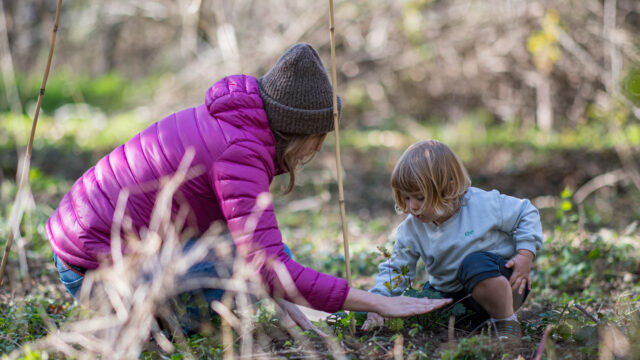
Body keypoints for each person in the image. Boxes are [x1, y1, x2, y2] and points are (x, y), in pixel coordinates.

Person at [46, 43, 451, 334]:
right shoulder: (239, 151)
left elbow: (255, 242)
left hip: (81, 250)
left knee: (264, 254)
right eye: (319, 137)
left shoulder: (233, 121)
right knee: (250, 271)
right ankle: (143, 325)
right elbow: (266, 268)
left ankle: (295, 317)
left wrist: (295, 304)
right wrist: (377, 301)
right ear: (299, 131)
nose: (319, 148)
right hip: (97, 276)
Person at [361, 140, 543, 340]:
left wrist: (525, 255)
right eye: (406, 198)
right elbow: (395, 268)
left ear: (449, 188)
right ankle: (476, 323)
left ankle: (506, 323)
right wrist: (378, 303)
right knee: (422, 302)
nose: (412, 206)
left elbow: (526, 212)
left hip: (504, 284)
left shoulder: (483, 205)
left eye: (420, 198)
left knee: (475, 264)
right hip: (457, 297)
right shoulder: (411, 228)